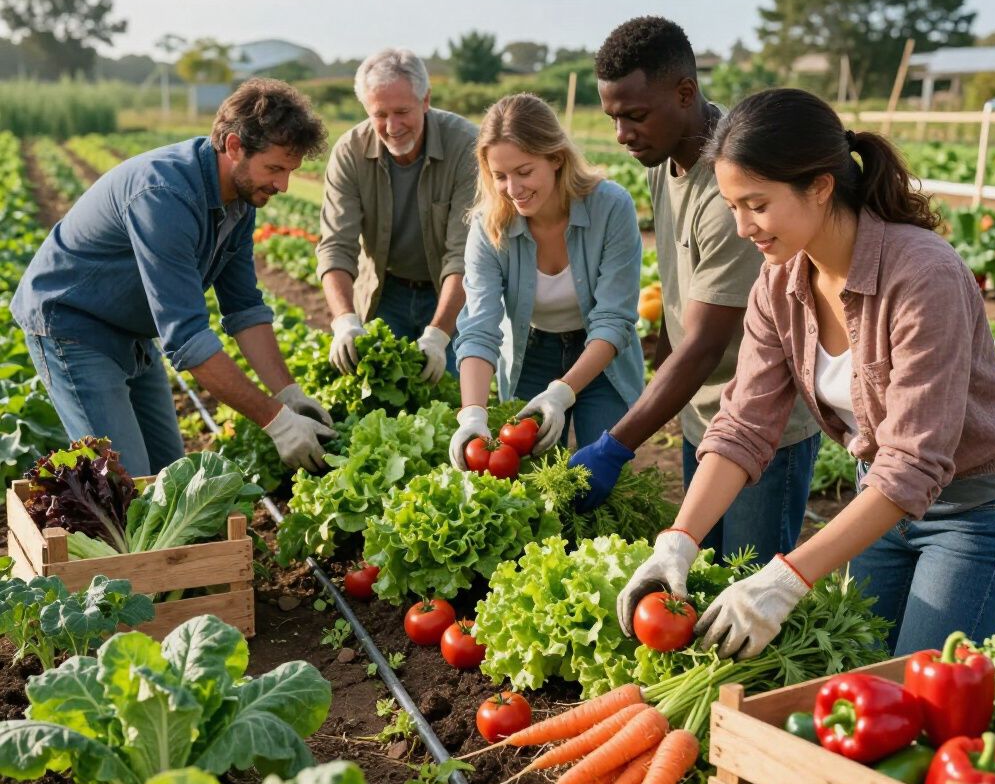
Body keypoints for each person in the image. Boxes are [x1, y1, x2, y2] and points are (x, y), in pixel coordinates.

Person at [618, 87, 995, 658]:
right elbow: (743, 426)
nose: (743, 227)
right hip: (876, 503)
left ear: (821, 186)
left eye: (756, 204)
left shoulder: (922, 276)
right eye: (733, 206)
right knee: (858, 681)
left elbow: (915, 459)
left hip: (970, 513)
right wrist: (678, 541)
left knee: (917, 695)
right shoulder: (779, 284)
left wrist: (786, 579)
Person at [572, 16, 820, 566]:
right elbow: (678, 293)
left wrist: (617, 442)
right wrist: (655, 400)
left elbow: (707, 341)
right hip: (702, 410)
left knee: (745, 583)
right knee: (699, 573)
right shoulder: (664, 160)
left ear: (685, 93)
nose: (622, 134)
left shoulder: (731, 185)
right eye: (613, 117)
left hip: (763, 427)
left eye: (634, 116)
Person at [12, 78, 337, 476]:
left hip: (131, 329)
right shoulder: (164, 193)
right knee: (126, 485)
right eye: (274, 168)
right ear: (234, 146)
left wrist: (288, 395)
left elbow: (244, 307)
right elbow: (186, 337)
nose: (282, 185)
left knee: (170, 475)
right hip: (72, 328)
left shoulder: (240, 201)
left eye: (289, 171)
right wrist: (276, 422)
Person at [449, 93, 645, 465]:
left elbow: (614, 320)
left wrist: (563, 392)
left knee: (603, 472)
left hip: (602, 358)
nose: (513, 189)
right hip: (531, 355)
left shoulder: (611, 207)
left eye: (524, 172)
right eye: (500, 176)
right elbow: (479, 326)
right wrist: (472, 413)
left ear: (556, 158)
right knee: (532, 480)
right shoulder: (489, 227)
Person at [316, 48, 477, 383]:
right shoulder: (350, 153)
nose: (392, 126)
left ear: (426, 100)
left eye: (403, 111)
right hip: (385, 291)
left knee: (447, 396)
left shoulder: (466, 146)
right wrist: (345, 320)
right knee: (382, 396)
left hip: (448, 295)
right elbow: (336, 247)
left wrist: (438, 335)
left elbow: (463, 255)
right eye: (380, 114)